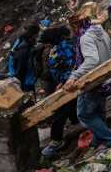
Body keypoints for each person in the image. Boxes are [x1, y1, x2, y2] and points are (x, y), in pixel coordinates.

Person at [64, 17, 111, 152]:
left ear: (76, 27)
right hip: (107, 78)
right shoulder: (99, 30)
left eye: (73, 29)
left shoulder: (85, 38)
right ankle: (98, 139)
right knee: (99, 109)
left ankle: (110, 139)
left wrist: (74, 76)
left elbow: (92, 60)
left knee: (84, 114)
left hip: (95, 82)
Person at [38, 26, 79, 155]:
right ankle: (79, 126)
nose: (46, 45)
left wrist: (63, 82)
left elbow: (72, 65)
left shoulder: (66, 47)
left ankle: (56, 140)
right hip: (62, 83)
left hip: (68, 84)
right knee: (72, 106)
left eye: (46, 42)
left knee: (59, 113)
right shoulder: (59, 45)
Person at [9, 23, 40, 92]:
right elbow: (19, 70)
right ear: (33, 35)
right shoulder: (23, 50)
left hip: (26, 76)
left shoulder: (23, 39)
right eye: (37, 34)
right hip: (25, 82)